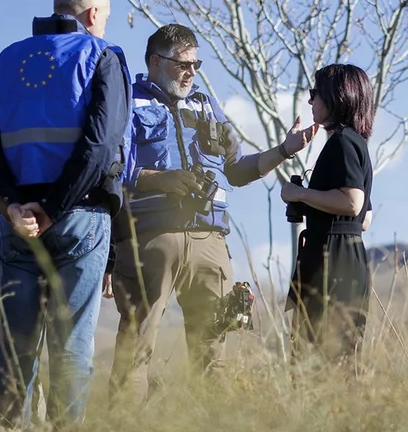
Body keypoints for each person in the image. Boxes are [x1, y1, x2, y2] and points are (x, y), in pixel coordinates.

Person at [108, 23, 318, 408]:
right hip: (150, 240)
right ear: (155, 62)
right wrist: (162, 179)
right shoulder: (128, 101)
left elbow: (238, 169)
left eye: (196, 64)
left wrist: (285, 149)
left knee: (213, 356)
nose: (191, 72)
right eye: (182, 64)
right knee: (136, 349)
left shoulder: (206, 105)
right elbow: (112, 169)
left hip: (211, 243)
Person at [0, 0, 132, 428]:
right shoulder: (103, 55)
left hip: (16, 225)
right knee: (70, 351)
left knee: (13, 356)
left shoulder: (7, 59)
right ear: (94, 15)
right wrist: (53, 208)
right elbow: (101, 147)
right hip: (77, 219)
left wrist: (15, 208)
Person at [280, 63, 375, 366]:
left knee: (317, 361)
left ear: (337, 97)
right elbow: (366, 218)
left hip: (331, 260)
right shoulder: (356, 143)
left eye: (315, 93)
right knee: (340, 359)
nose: (310, 101)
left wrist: (300, 194)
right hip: (348, 257)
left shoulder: (343, 142)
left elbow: (353, 204)